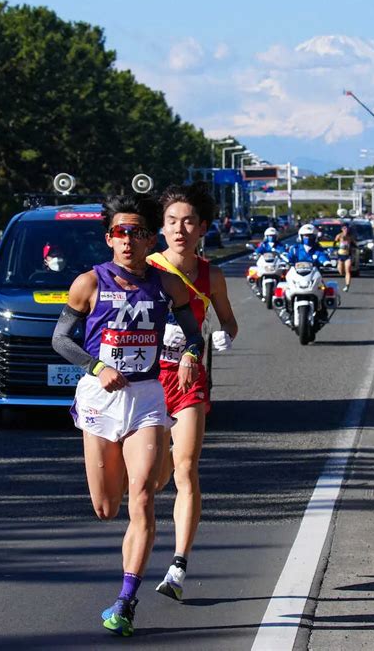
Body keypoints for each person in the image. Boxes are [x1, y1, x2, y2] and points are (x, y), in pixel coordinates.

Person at [52, 193, 204, 637]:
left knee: (143, 496)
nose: (129, 240)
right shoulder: (88, 282)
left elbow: (194, 333)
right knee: (106, 507)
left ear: (149, 238)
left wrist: (191, 353)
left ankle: (125, 602)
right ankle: (143, 481)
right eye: (121, 233)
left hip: (146, 396)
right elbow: (61, 339)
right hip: (100, 399)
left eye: (138, 233)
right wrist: (98, 368)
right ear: (109, 239)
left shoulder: (166, 284)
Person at [147, 182, 238, 602]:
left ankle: (178, 565)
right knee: (152, 477)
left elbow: (228, 322)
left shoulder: (211, 275)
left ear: (202, 228)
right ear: (161, 228)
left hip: (188, 379)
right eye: (171, 222)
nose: (179, 229)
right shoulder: (144, 268)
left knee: (186, 469)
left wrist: (223, 338)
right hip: (145, 379)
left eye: (188, 222)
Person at [281, 223, 332, 327]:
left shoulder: (318, 249)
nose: (308, 238)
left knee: (324, 290)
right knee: (284, 290)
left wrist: (326, 262)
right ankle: (287, 311)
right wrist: (284, 260)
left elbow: (323, 257)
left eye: (310, 236)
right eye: (305, 236)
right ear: (300, 236)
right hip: (297, 276)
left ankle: (322, 313)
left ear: (315, 237)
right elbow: (288, 257)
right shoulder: (294, 249)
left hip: (313, 276)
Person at [333, 223, 357, 292]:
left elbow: (355, 244)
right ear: (342, 229)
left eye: (347, 228)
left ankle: (347, 286)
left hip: (348, 255)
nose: (345, 230)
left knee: (348, 270)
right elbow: (334, 244)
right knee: (340, 271)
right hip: (340, 255)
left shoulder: (350, 237)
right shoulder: (339, 236)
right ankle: (342, 272)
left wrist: (355, 248)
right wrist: (335, 250)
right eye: (344, 228)